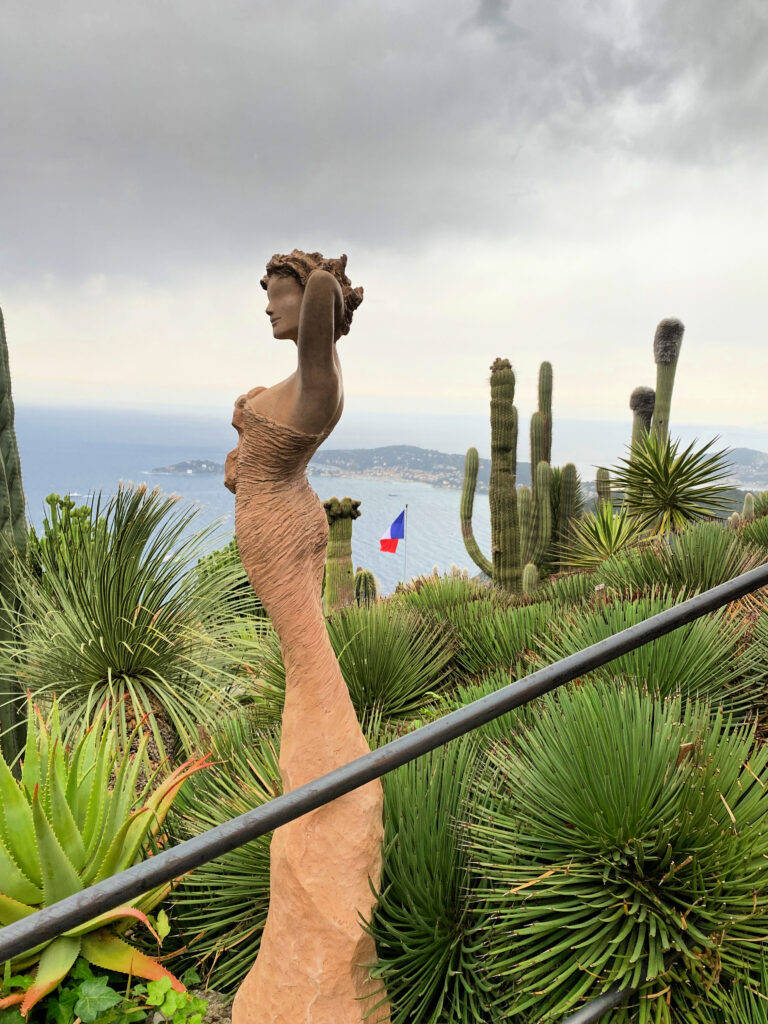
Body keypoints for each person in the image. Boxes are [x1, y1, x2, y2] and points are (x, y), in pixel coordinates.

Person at [226, 251, 388, 1024]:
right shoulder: (297, 382)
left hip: (285, 536)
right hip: (278, 530)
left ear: (311, 301)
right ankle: (322, 788)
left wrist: (317, 274)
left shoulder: (319, 378)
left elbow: (321, 302)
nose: (266, 308)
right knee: (304, 672)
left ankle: (335, 798)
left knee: (310, 672)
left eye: (275, 293)